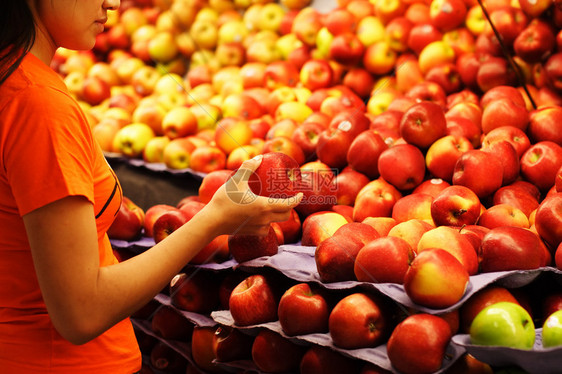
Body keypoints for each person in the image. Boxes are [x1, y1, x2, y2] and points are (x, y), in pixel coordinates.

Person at [0, 0, 302, 373]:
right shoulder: (37, 106)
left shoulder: (10, 80)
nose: (114, 3)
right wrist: (212, 220)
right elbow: (81, 312)